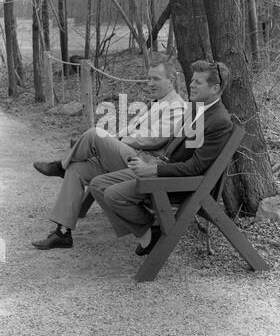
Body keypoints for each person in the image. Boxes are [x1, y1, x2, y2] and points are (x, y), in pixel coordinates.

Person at [32, 57, 185, 250]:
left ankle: (60, 166)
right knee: (77, 168)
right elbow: (130, 130)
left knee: (95, 134)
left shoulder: (177, 106)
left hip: (144, 162)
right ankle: (62, 233)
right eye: (148, 79)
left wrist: (118, 141)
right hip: (129, 155)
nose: (150, 83)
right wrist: (113, 140)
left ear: (170, 81)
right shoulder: (153, 103)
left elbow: (155, 138)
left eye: (155, 79)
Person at [88, 60, 233, 255]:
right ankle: (149, 231)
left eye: (198, 82)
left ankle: (151, 229)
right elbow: (181, 148)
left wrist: (153, 170)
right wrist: (152, 162)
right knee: (98, 184)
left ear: (215, 88)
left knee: (113, 195)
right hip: (163, 168)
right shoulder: (197, 108)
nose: (191, 85)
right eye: (192, 80)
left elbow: (195, 167)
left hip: (181, 184)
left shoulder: (218, 121)